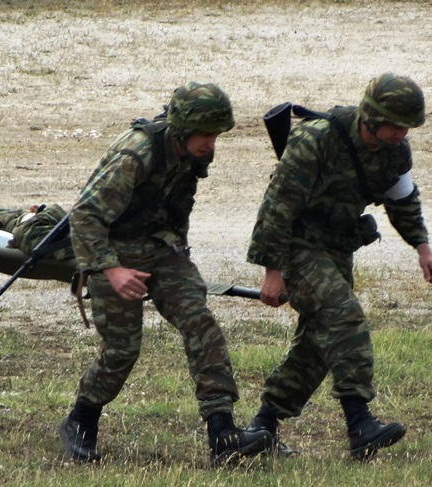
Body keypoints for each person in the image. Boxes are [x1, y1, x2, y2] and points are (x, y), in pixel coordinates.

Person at [58, 82, 274, 464]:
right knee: (123, 350)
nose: (211, 143)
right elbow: (85, 216)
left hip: (162, 251)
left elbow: (177, 205)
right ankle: (81, 419)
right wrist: (111, 270)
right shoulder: (136, 153)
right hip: (114, 251)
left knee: (200, 323)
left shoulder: (193, 153)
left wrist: (179, 255)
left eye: (216, 135)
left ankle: (222, 434)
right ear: (182, 129)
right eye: (205, 135)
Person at [245, 73, 432, 459]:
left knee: (320, 343)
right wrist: (273, 270)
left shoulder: (395, 152)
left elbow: (403, 200)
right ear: (370, 116)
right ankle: (360, 422)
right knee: (343, 315)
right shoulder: (315, 139)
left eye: (407, 126)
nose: (402, 133)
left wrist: (422, 247)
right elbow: (277, 206)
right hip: (297, 246)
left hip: (336, 248)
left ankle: (262, 425)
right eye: (395, 125)